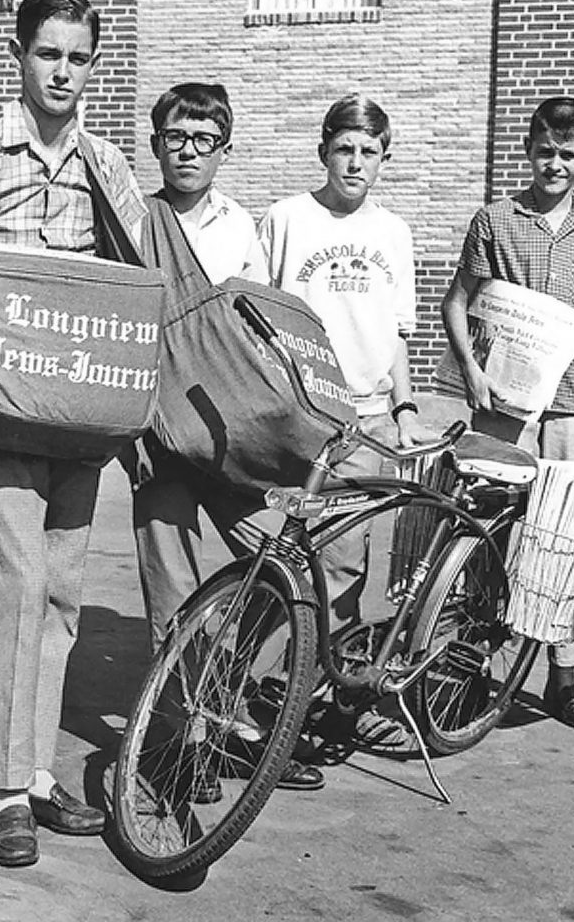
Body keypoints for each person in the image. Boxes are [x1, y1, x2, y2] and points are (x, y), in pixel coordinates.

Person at [0, 0, 146, 867]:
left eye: (78, 56)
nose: (63, 71)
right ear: (19, 54)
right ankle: (7, 792)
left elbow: (133, 288)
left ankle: (39, 776)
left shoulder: (108, 167)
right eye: (48, 52)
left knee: (58, 592)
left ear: (93, 65)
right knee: (15, 585)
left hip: (78, 415)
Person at [127, 81, 324, 794]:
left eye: (203, 140)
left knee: (285, 566)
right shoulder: (132, 220)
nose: (188, 151)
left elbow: (257, 336)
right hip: (159, 435)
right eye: (175, 137)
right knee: (172, 593)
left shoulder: (241, 227)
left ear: (224, 150)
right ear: (155, 145)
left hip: (231, 439)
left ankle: (225, 701)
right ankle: (179, 740)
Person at [441, 95, 574, 734]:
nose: (555, 165)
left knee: (568, 538)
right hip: (507, 406)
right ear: (528, 149)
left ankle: (563, 678)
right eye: (545, 152)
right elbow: (457, 303)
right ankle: (471, 666)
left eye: (569, 156)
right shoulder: (494, 220)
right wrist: (472, 372)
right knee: (487, 531)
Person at [257, 93, 423, 749]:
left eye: (369, 152)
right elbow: (259, 313)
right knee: (278, 555)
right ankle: (267, 691)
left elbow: (397, 336)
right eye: (344, 149)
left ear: (385, 158)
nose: (355, 163)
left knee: (347, 566)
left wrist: (403, 411)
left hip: (366, 422)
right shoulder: (286, 219)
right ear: (324, 150)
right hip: (298, 412)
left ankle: (326, 699)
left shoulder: (393, 233)